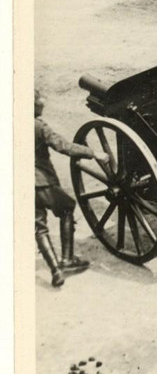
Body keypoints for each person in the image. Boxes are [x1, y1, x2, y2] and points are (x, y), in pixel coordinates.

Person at [35, 89, 109, 288]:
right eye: (39, 102)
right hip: (43, 183)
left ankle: (55, 271)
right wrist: (94, 153)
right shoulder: (39, 127)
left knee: (39, 228)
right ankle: (66, 259)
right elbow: (65, 147)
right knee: (67, 207)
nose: (42, 104)